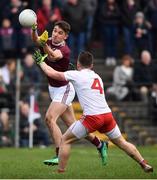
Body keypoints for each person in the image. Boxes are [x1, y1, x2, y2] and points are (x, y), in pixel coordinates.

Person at [33, 50, 153, 173]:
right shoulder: (97, 77)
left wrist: (41, 62)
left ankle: (60, 172)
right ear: (92, 65)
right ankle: (144, 163)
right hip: (107, 116)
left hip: (92, 118)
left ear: (78, 64)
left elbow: (51, 73)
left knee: (65, 140)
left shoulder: (76, 74)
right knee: (122, 142)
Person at [31, 20, 108, 166]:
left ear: (65, 37)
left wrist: (44, 44)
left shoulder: (65, 50)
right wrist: (34, 29)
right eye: (54, 31)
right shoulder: (48, 40)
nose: (55, 35)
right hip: (54, 89)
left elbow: (54, 56)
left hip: (64, 89)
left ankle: (59, 154)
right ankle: (100, 144)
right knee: (74, 126)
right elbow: (35, 40)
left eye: (60, 33)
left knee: (49, 118)